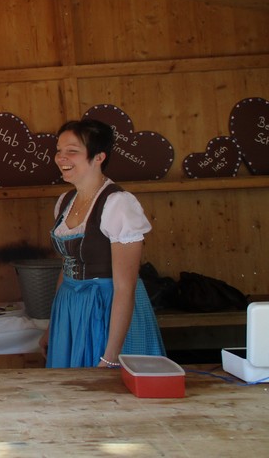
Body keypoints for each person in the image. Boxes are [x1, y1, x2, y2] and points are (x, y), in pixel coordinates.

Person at [40, 118, 165, 368]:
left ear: (99, 157)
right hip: (70, 306)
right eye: (59, 150)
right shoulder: (65, 201)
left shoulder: (118, 203)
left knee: (107, 387)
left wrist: (110, 356)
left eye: (72, 151)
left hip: (106, 309)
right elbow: (67, 267)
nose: (61, 158)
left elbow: (125, 287)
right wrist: (52, 328)